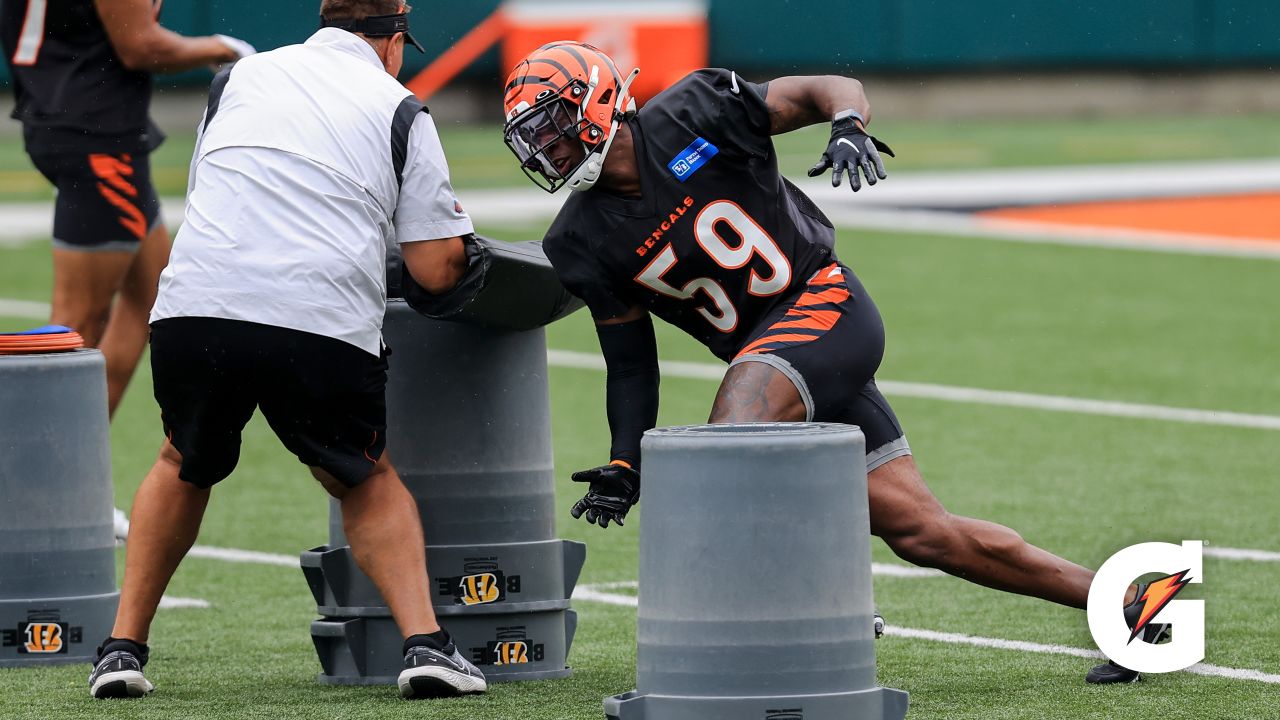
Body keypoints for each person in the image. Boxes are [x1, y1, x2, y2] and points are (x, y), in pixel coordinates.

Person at [500, 42, 1164, 685]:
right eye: (531, 138)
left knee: (732, 433)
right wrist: (624, 462)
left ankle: (818, 609)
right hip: (778, 362)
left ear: (597, 103)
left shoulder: (694, 110)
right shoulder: (580, 239)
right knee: (925, 533)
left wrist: (848, 125)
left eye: (551, 125)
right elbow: (631, 365)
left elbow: (826, 90)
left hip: (825, 306)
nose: (544, 149)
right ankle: (1132, 605)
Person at [87, 0, 487, 700]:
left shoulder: (240, 77)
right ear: (393, 39)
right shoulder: (401, 107)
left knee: (182, 461)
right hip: (315, 314)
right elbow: (434, 267)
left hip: (196, 303)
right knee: (364, 477)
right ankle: (428, 646)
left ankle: (120, 650)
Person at [1, 0, 255, 543]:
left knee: (151, 292)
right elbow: (141, 45)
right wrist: (223, 48)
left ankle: (64, 481)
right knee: (73, 327)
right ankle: (31, 499)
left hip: (76, 115)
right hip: (95, 131)